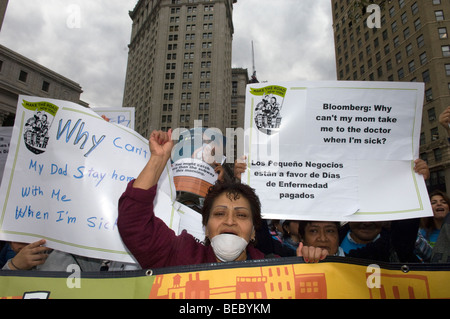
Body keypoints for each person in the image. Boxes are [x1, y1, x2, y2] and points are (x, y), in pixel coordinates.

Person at [117, 129, 326, 267]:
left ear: (254, 231)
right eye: (219, 213)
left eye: (242, 215)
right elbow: (133, 223)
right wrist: (158, 159)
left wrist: (309, 267)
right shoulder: (181, 256)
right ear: (206, 227)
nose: (229, 221)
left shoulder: (278, 267)